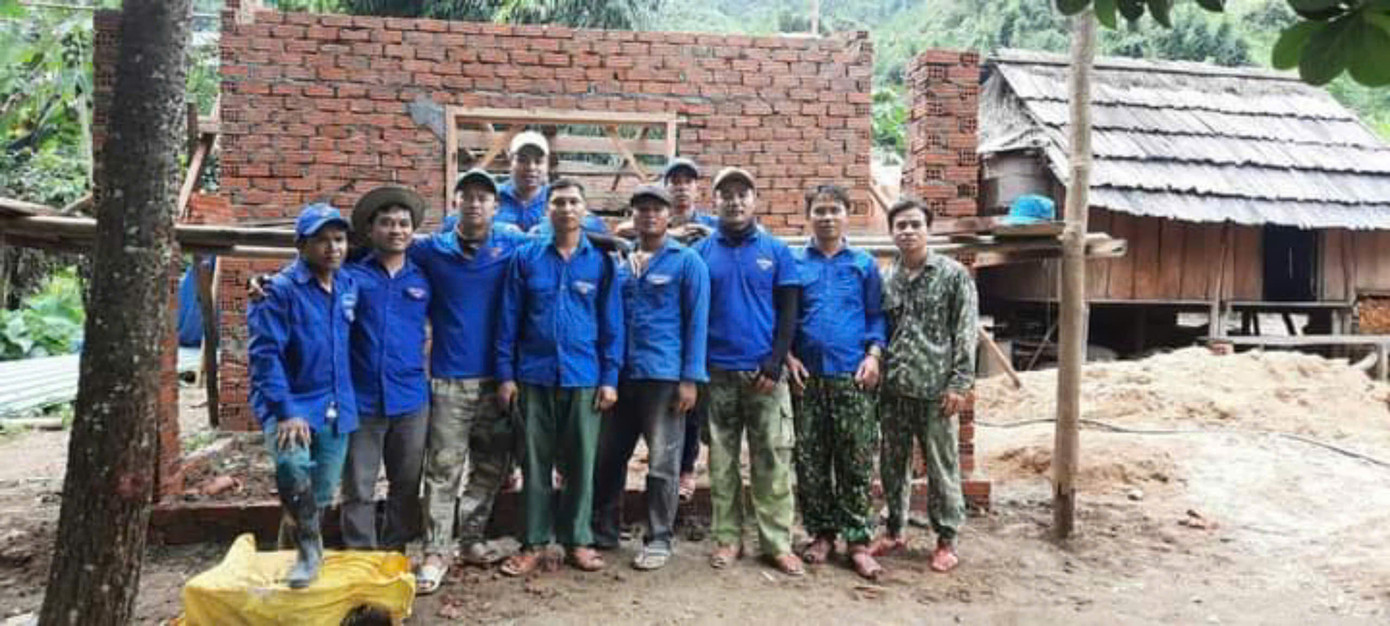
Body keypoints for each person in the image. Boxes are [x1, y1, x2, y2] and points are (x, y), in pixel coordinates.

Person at [408, 168, 531, 593]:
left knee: (491, 467)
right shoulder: (432, 249)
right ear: (455, 203)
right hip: (449, 380)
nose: (475, 203)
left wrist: (624, 242)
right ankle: (436, 552)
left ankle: (471, 539)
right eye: (468, 196)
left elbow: (565, 238)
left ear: (496, 206)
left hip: (499, 380)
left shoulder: (512, 243)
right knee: (443, 469)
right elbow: (374, 250)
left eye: (484, 197)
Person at [496, 178, 624, 576]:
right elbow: (508, 320)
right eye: (558, 202)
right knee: (534, 463)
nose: (566, 209)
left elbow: (612, 325)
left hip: (583, 377)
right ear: (547, 210)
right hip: (533, 377)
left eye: (573, 202)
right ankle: (533, 543)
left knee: (581, 463)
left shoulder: (600, 262)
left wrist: (610, 377)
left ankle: (577, 540)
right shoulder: (526, 258)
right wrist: (505, 375)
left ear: (584, 210)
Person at [591, 185, 710, 571]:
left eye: (656, 209)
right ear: (632, 217)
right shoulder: (622, 262)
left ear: (669, 216)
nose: (649, 215)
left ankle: (659, 538)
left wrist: (690, 379)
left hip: (664, 378)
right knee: (609, 458)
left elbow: (697, 323)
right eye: (641, 209)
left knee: (662, 463)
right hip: (621, 376)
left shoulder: (687, 262)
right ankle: (604, 531)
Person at [693, 167, 804, 577]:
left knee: (772, 459)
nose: (735, 201)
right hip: (716, 374)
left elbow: (789, 311)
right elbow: (693, 314)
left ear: (755, 200)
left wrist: (776, 360)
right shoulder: (701, 253)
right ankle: (727, 538)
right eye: (726, 195)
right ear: (715, 201)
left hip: (765, 375)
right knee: (721, 461)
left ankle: (776, 543)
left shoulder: (776, 251)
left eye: (742, 194)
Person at [247, 203, 359, 589]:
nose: (332, 248)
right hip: (292, 405)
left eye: (339, 239)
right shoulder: (278, 291)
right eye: (322, 240)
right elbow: (265, 356)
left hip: (336, 404)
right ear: (301, 245)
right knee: (293, 471)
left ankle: (291, 558)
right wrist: (286, 411)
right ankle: (310, 550)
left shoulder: (348, 284)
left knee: (320, 493)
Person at [785, 185, 887, 580]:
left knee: (856, 459)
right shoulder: (795, 263)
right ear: (808, 216)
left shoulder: (863, 264)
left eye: (835, 210)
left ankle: (858, 541)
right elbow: (784, 318)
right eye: (820, 210)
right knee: (811, 460)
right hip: (807, 379)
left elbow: (877, 316)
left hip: (852, 377)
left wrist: (873, 355)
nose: (827, 217)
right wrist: (789, 357)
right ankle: (822, 534)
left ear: (848, 214)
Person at [872, 197, 979, 574]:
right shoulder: (888, 278)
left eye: (915, 224)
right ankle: (894, 530)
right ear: (891, 232)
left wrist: (960, 384)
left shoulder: (952, 275)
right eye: (900, 225)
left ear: (927, 229)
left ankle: (946, 539)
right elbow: (882, 330)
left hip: (937, 391)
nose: (908, 231)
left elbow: (965, 332)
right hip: (895, 389)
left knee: (941, 465)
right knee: (892, 463)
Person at [338, 187, 431, 554]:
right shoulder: (349, 276)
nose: (396, 230)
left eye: (404, 223)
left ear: (413, 231)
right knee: (358, 487)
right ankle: (359, 556)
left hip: (410, 399)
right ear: (370, 229)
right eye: (387, 223)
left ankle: (395, 553)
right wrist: (263, 284)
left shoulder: (424, 278)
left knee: (406, 485)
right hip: (360, 400)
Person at [494, 131, 608, 235]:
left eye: (538, 162)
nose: (531, 167)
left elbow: (595, 224)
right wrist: (499, 228)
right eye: (522, 160)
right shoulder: (493, 195)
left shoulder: (557, 197)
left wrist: (549, 227)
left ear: (547, 164)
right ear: (510, 161)